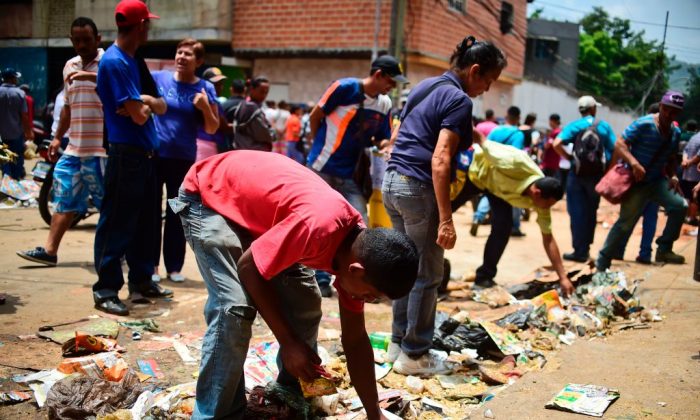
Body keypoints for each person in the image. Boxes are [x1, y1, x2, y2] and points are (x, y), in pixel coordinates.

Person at [170, 150, 419, 419]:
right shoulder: (318, 228)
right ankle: (215, 415)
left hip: (258, 214)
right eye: (369, 296)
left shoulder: (357, 256)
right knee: (234, 308)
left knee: (306, 302)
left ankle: (288, 391)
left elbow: (355, 339)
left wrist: (374, 413)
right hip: (209, 196)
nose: (366, 301)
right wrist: (288, 343)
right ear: (356, 270)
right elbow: (248, 267)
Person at [382, 36, 507, 375]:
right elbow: (440, 160)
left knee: (405, 268)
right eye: (488, 81)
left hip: (392, 182)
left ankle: (397, 344)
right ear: (475, 71)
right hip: (418, 187)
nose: (486, 90)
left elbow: (398, 136)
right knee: (427, 274)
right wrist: (446, 220)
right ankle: (415, 355)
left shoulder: (426, 87)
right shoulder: (459, 99)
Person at [92, 0, 171, 316]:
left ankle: (141, 280)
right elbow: (138, 117)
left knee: (146, 223)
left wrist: (145, 101)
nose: (149, 28)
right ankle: (106, 288)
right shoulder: (115, 62)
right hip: (127, 154)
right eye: (147, 23)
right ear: (141, 26)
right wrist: (144, 106)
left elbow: (158, 106)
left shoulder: (134, 60)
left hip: (147, 154)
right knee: (117, 223)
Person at [307, 54, 405, 297]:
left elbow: (381, 136)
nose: (391, 88)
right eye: (391, 82)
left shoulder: (383, 104)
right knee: (320, 225)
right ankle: (318, 278)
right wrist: (319, 145)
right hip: (322, 167)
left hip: (351, 174)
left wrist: (386, 146)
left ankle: (352, 278)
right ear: (378, 74)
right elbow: (315, 116)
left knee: (359, 225)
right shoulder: (344, 88)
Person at [17, 17, 107, 267]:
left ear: (97, 39)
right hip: (74, 148)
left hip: (101, 151)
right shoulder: (69, 66)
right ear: (71, 40)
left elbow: (117, 94)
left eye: (87, 40)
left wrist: (89, 76)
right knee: (64, 198)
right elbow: (67, 106)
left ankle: (114, 256)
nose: (81, 45)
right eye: (77, 40)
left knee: (108, 205)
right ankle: (50, 251)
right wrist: (57, 138)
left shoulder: (109, 63)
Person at [451, 139, 574, 291]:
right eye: (548, 204)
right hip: (475, 172)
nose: (547, 209)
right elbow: (478, 136)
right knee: (441, 214)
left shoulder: (542, 200)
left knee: (503, 227)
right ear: (536, 193)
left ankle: (484, 277)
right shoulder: (515, 162)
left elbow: (548, 238)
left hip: (498, 191)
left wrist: (563, 277)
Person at [151, 38, 219, 283]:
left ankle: (174, 267)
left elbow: (212, 127)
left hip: (183, 159)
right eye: (179, 52)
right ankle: (152, 267)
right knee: (150, 212)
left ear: (198, 61)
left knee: (176, 212)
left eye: (188, 54)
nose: (181, 57)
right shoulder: (159, 79)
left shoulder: (204, 89)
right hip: (155, 155)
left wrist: (204, 108)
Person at [596, 91, 688, 271]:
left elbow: (670, 159)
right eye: (667, 110)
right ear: (660, 106)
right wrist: (634, 163)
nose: (669, 114)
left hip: (657, 181)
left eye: (674, 112)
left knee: (680, 206)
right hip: (636, 183)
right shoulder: (643, 124)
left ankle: (664, 249)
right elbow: (620, 143)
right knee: (625, 223)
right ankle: (603, 261)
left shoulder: (675, 132)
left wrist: (674, 176)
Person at [553, 96, 616, 262]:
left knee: (576, 212)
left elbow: (556, 143)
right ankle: (586, 247)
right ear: (593, 108)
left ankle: (579, 250)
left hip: (577, 174)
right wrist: (608, 170)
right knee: (590, 211)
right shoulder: (603, 126)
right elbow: (616, 149)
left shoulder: (575, 125)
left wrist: (569, 157)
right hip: (596, 176)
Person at [480, 105, 527, 236]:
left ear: (506, 116)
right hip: (506, 171)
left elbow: (485, 145)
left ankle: (478, 216)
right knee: (515, 198)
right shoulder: (517, 134)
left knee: (488, 195)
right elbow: (516, 154)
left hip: (490, 168)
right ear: (518, 118)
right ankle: (515, 226)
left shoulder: (496, 130)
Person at [0, 68, 34, 179]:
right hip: (16, 134)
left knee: (4, 160)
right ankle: (14, 183)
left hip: (2, 135)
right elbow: (24, 116)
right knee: (17, 159)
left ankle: (7, 183)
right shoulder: (20, 93)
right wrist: (29, 132)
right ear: (13, 78)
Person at [230, 76, 275, 151]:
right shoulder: (251, 107)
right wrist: (273, 134)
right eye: (261, 92)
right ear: (252, 89)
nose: (264, 95)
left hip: (243, 149)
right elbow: (264, 135)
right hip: (253, 152)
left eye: (266, 92)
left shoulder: (244, 103)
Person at [195, 67, 228, 160]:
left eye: (221, 84)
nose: (220, 87)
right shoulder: (205, 100)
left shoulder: (215, 101)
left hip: (211, 145)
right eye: (216, 84)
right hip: (205, 145)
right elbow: (222, 125)